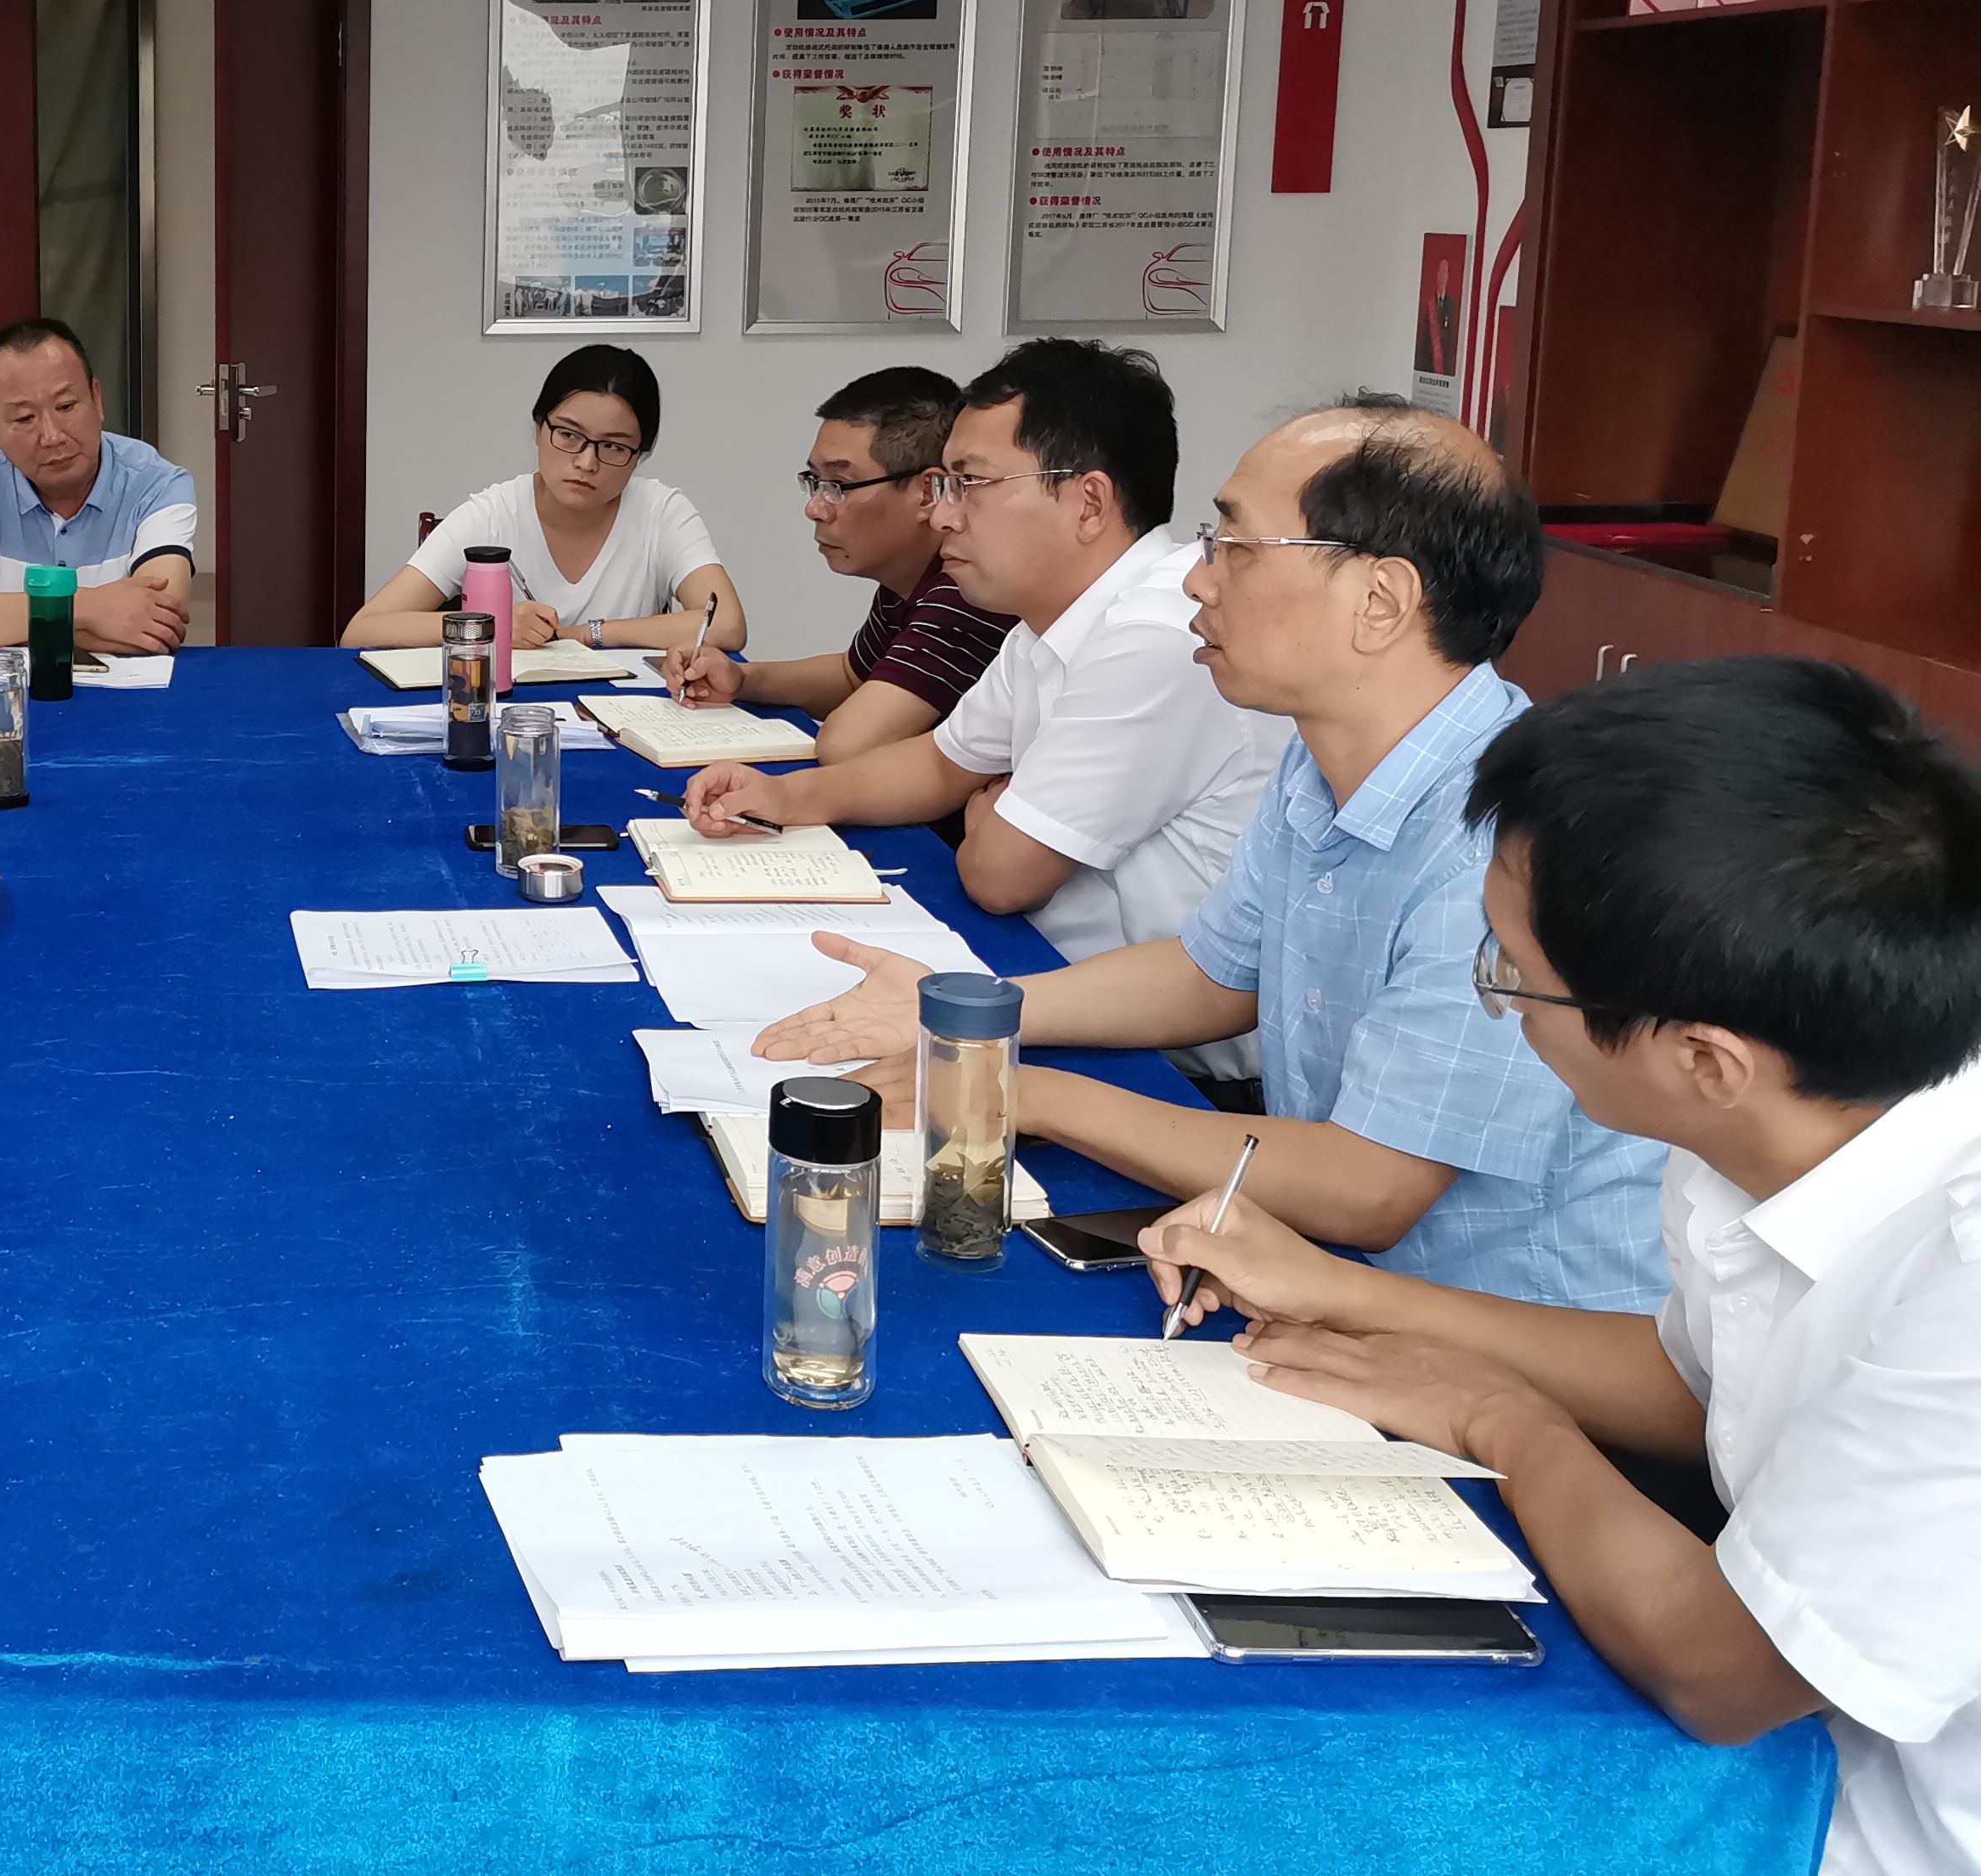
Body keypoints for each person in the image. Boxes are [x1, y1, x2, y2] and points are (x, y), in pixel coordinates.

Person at [1144, 659, 1981, 1874]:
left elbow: (1719, 1669)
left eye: (1509, 974)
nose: (1495, 999)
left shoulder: (1962, 1287)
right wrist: (1348, 1295)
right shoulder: (1789, 1101)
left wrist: (1500, 1419)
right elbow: (1701, 1382)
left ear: (1704, 1060)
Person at [754, 397, 1667, 1308]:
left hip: (1513, 1329)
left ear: (1380, 602)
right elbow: (1213, 971)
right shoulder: (1322, 756)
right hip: (1337, 1287)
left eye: (1237, 547)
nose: (1197, 581)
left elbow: (1368, 1188)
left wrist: (1018, 1093)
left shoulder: (1506, 835)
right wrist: (973, 1016)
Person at [687, 338, 1281, 1094]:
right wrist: (782, 797)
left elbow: (1001, 876)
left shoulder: (1157, 633)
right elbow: (941, 762)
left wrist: (990, 821)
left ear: (1088, 503)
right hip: (1060, 996)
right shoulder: (1048, 618)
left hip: (1175, 1068)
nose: (941, 516)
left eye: (968, 484)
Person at [655, 365, 1008, 760]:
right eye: (815, 482)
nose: (814, 508)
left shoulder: (965, 592)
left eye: (839, 486)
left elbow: (845, 745)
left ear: (927, 492)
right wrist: (740, 678)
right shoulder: (908, 577)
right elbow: (852, 677)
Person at [341, 343, 748, 656]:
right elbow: (362, 631)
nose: (587, 463)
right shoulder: (492, 515)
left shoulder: (662, 513)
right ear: (538, 429)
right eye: (569, 435)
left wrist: (585, 634)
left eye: (613, 446)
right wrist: (492, 626)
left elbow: (727, 625)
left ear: (640, 455)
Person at [0, 316, 198, 657]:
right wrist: (88, 607)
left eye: (66, 406)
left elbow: (158, 627)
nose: (52, 436)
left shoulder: (159, 485)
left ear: (97, 400)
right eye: (25, 418)